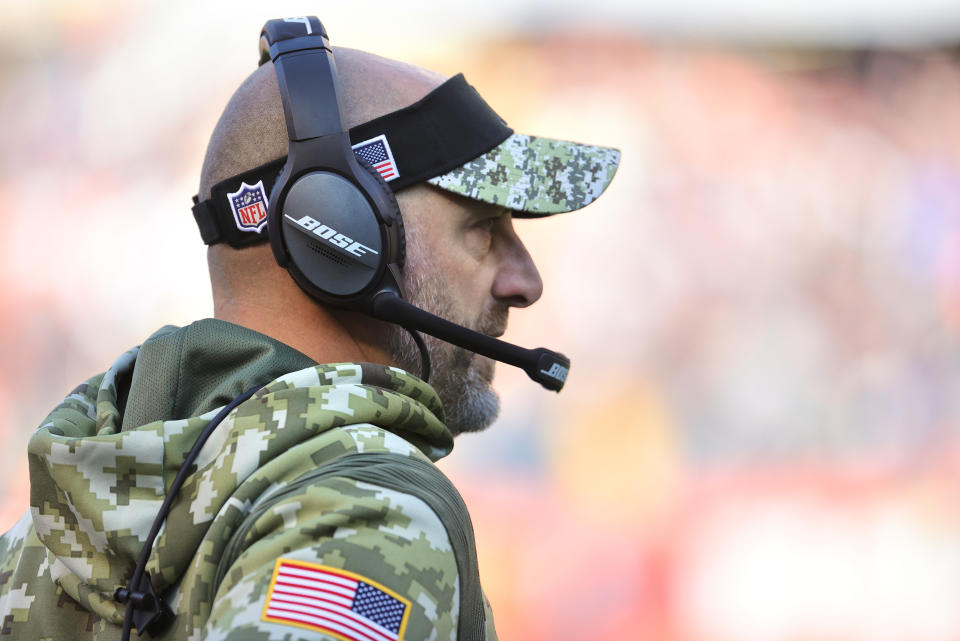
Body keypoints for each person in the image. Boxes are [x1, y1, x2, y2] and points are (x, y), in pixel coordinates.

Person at [0, 16, 619, 641]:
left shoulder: (38, 544)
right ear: (340, 233)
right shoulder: (366, 517)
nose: (526, 281)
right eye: (483, 229)